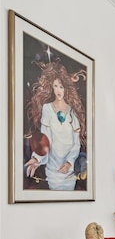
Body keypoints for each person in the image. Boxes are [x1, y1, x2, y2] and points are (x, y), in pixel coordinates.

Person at [24, 61, 86, 191]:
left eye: (61, 87)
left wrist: (69, 162)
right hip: (53, 171)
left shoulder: (72, 112)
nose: (58, 90)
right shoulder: (47, 109)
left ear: (66, 88)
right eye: (56, 86)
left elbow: (76, 144)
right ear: (52, 87)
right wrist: (36, 159)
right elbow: (45, 139)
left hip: (69, 173)